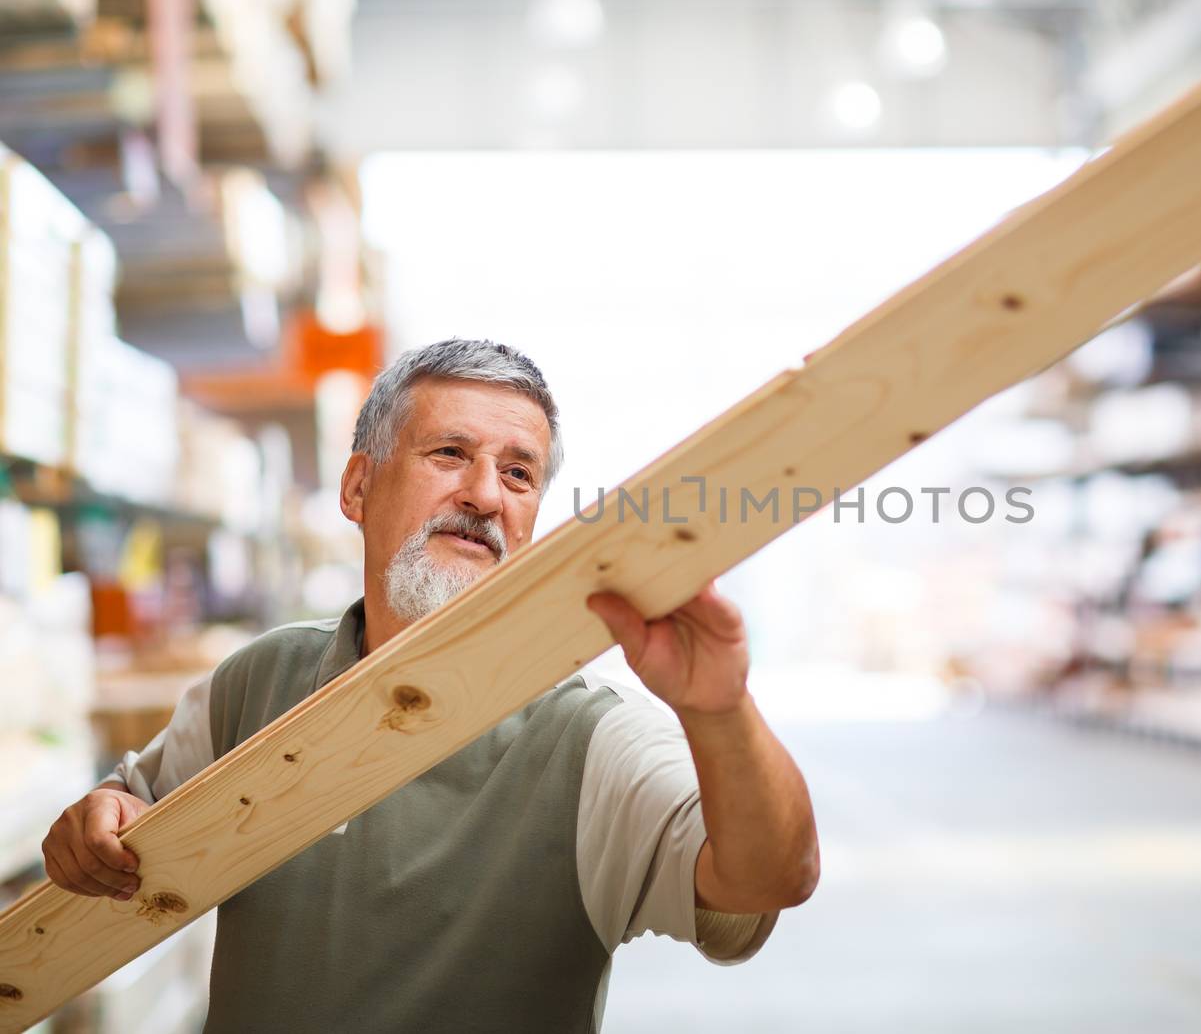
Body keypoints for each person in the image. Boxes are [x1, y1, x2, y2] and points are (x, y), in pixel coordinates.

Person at [42, 338, 821, 1032]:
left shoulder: (595, 740)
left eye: (518, 473)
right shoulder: (258, 681)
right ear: (357, 488)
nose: (486, 494)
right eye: (450, 453)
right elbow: (124, 819)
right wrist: (97, 821)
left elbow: (771, 876)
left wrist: (720, 710)